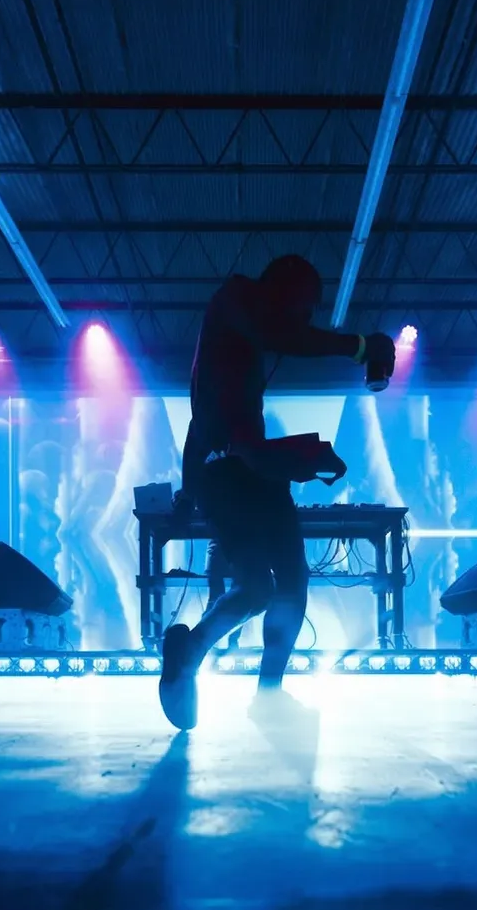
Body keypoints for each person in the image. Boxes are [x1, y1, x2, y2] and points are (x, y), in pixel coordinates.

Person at [159, 255, 395, 731]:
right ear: (285, 290)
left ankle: (204, 657)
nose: (305, 319)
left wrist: (190, 491)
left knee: (268, 585)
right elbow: (282, 335)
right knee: (277, 583)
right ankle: (248, 681)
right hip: (238, 475)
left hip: (235, 473)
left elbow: (201, 424)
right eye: (305, 307)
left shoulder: (234, 334)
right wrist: (360, 346)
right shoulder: (238, 298)